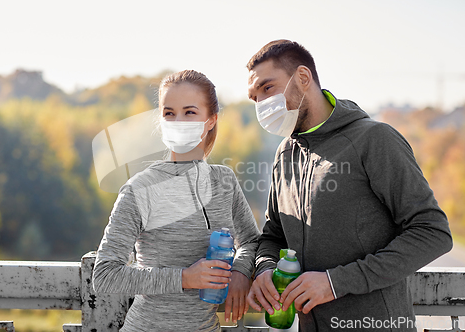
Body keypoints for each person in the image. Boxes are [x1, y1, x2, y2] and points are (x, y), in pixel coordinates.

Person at [245, 40, 453, 331]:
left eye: (268, 88)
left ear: (303, 78)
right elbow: (273, 235)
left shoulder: (375, 139)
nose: (262, 105)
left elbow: (433, 232)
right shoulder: (285, 153)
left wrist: (334, 283)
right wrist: (265, 268)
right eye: (255, 98)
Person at [92, 70, 261, 332]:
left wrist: (240, 271)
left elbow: (250, 240)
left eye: (190, 112)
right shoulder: (140, 188)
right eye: (169, 113)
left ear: (211, 120)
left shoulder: (224, 181)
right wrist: (184, 278)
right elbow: (105, 275)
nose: (178, 121)